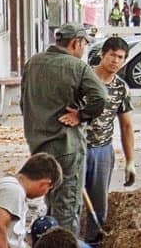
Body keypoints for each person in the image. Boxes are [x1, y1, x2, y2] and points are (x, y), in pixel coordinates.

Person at [20, 23, 107, 236]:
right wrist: (81, 115)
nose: (84, 48)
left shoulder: (33, 63)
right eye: (84, 43)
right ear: (76, 42)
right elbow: (100, 97)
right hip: (66, 146)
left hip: (38, 145)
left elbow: (23, 103)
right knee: (67, 207)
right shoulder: (77, 67)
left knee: (50, 197)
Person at [84, 36, 136, 243]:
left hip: (102, 151)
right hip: (77, 147)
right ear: (102, 55)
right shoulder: (84, 79)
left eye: (120, 57)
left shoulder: (120, 88)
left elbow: (126, 125)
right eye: (112, 55)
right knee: (69, 202)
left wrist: (130, 161)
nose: (115, 61)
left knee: (98, 206)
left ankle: (94, 247)